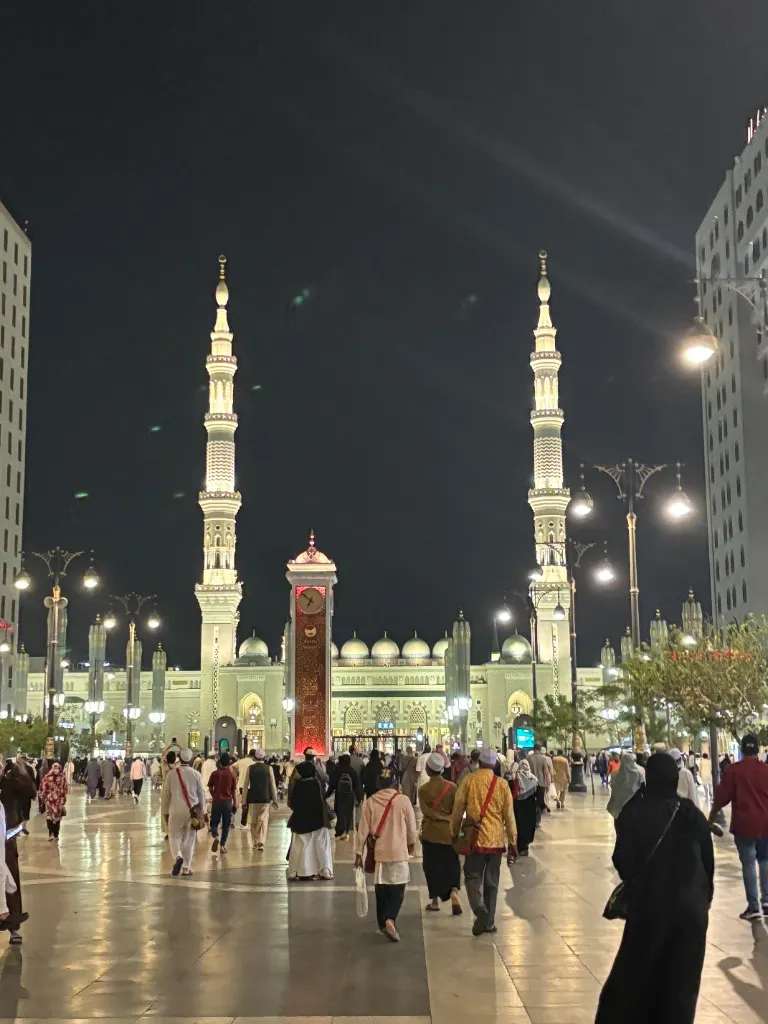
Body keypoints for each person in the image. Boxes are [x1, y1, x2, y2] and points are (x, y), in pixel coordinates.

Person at [595, 753, 713, 1024]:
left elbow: (622, 860)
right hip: (690, 913)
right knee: (681, 982)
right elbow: (708, 864)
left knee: (638, 977)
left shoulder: (636, 813)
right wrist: (702, 899)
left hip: (650, 909)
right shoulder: (690, 813)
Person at [451, 746, 517, 935]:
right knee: (492, 882)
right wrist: (513, 841)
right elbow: (509, 817)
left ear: (479, 762)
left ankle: (479, 908)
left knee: (472, 876)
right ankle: (488, 922)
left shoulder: (468, 780)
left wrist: (454, 831)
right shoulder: (502, 784)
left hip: (475, 839)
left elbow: (457, 808)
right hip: (495, 841)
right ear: (495, 764)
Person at [710, 733, 768, 920]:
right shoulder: (766, 770)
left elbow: (721, 797)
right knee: (765, 861)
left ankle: (753, 907)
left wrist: (710, 817)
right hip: (766, 824)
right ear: (758, 749)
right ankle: (767, 901)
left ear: (742, 750)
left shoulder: (734, 771)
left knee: (749, 863)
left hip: (744, 825)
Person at [357, 765, 417, 941]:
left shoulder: (370, 802)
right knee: (398, 887)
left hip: (380, 853)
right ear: (394, 782)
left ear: (378, 783)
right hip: (398, 851)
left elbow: (362, 830)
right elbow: (412, 828)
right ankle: (390, 918)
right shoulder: (403, 800)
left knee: (381, 888)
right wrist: (411, 844)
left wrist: (358, 853)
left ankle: (382, 924)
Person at [418, 751, 462, 914]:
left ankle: (435, 901)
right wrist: (450, 819)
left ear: (428, 770)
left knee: (432, 866)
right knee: (451, 864)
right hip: (449, 833)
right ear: (442, 770)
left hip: (431, 833)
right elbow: (460, 811)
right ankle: (453, 893)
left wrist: (439, 817)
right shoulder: (452, 788)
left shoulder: (423, 790)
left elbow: (426, 812)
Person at [0, 759, 35, 944]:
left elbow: (31, 791)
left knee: (10, 882)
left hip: (6, 841)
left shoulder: (9, 782)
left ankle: (13, 925)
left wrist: (18, 771)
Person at [287, 749, 333, 880]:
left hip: (300, 821)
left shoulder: (299, 785)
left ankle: (297, 871)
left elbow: (293, 803)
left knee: (300, 846)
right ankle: (324, 870)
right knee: (321, 844)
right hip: (317, 819)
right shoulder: (316, 782)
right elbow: (321, 799)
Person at [161, 748, 207, 877]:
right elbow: (201, 795)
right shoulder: (196, 774)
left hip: (175, 810)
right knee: (190, 839)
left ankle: (177, 857)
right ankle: (186, 867)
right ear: (191, 760)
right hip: (192, 811)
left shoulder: (171, 774)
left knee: (174, 836)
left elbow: (166, 795)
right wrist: (203, 811)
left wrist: (164, 811)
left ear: (179, 759)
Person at [244, 749, 279, 850]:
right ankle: (261, 841)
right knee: (263, 820)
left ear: (254, 757)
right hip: (265, 798)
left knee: (253, 821)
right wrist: (275, 799)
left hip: (252, 798)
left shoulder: (250, 768)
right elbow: (272, 785)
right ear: (264, 758)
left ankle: (255, 842)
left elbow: (245, 785)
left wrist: (244, 801)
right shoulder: (269, 768)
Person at [326, 753, 362, 840]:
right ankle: (346, 831)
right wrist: (359, 796)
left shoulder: (337, 770)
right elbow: (357, 784)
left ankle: (339, 832)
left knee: (339, 812)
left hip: (339, 795)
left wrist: (326, 795)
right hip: (350, 796)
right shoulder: (352, 771)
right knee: (348, 813)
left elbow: (332, 785)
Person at [208, 752, 237, 855]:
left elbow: (210, 787)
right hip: (228, 802)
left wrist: (214, 795)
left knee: (214, 822)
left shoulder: (215, 774)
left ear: (220, 762)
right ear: (229, 762)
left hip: (217, 801)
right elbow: (233, 791)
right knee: (226, 824)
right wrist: (235, 804)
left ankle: (215, 836)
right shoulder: (231, 775)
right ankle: (222, 845)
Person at [509, 759, 538, 856]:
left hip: (516, 806)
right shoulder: (533, 779)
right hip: (530, 808)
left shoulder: (514, 778)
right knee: (527, 827)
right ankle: (524, 847)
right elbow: (538, 794)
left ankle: (516, 846)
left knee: (517, 825)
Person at [607, 752, 644, 824]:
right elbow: (644, 790)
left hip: (619, 807)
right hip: (634, 807)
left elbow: (612, 788)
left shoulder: (615, 774)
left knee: (620, 830)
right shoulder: (638, 774)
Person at [39, 762, 68, 842]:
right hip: (49, 802)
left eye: (58, 768)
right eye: (55, 768)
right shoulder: (47, 777)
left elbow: (65, 789)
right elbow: (42, 788)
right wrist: (44, 797)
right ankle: (50, 833)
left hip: (59, 802)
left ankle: (56, 834)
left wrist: (63, 799)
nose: (56, 770)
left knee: (57, 818)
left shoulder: (63, 778)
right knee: (49, 817)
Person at [527, 744, 550, 826]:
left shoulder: (528, 758)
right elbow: (546, 772)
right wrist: (547, 784)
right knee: (539, 802)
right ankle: (537, 821)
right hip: (541, 783)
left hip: (530, 783)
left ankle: (531, 819)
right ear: (539, 750)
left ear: (533, 749)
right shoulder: (543, 758)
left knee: (531, 802)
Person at [235, 750, 257, 829]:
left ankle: (244, 823)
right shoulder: (253, 763)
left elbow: (231, 767)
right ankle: (244, 823)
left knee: (245, 804)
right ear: (254, 756)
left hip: (241, 785)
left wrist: (236, 775)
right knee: (248, 805)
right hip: (250, 786)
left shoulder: (241, 761)